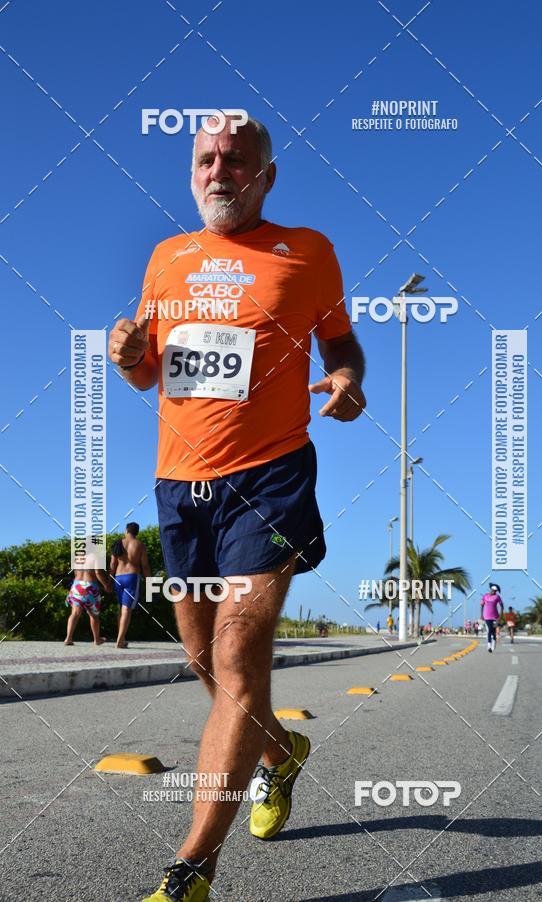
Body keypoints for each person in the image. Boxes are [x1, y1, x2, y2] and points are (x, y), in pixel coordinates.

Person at [108, 114, 366, 902]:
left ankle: (192, 868)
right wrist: (128, 357)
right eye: (206, 159)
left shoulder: (309, 251)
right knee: (201, 661)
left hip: (271, 477)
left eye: (236, 159)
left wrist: (348, 379)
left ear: (267, 174)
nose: (218, 171)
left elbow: (340, 343)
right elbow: (151, 371)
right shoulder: (166, 257)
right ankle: (280, 753)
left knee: (238, 659)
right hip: (180, 485)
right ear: (193, 172)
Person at [109, 522, 152, 648]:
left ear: (126, 530)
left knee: (120, 608)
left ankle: (121, 639)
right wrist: (150, 583)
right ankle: (120, 640)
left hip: (118, 577)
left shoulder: (117, 543)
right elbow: (145, 566)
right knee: (126, 609)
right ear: (136, 532)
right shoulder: (140, 545)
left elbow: (112, 565)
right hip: (132, 577)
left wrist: (109, 581)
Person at [64, 562, 111, 645]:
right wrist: (106, 585)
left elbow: (75, 572)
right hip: (90, 586)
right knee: (94, 614)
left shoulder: (78, 556)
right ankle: (96, 639)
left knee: (75, 613)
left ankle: (68, 638)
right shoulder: (96, 556)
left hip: (77, 585)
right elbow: (98, 572)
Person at [481, 583, 504, 653]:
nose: (494, 592)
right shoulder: (485, 596)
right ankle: (489, 646)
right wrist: (481, 614)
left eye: (495, 591)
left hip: (495, 617)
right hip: (487, 617)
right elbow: (482, 605)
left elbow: (502, 607)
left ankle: (493, 645)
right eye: (493, 590)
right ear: (490, 589)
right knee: (490, 630)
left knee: (493, 632)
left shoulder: (497, 597)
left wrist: (500, 617)